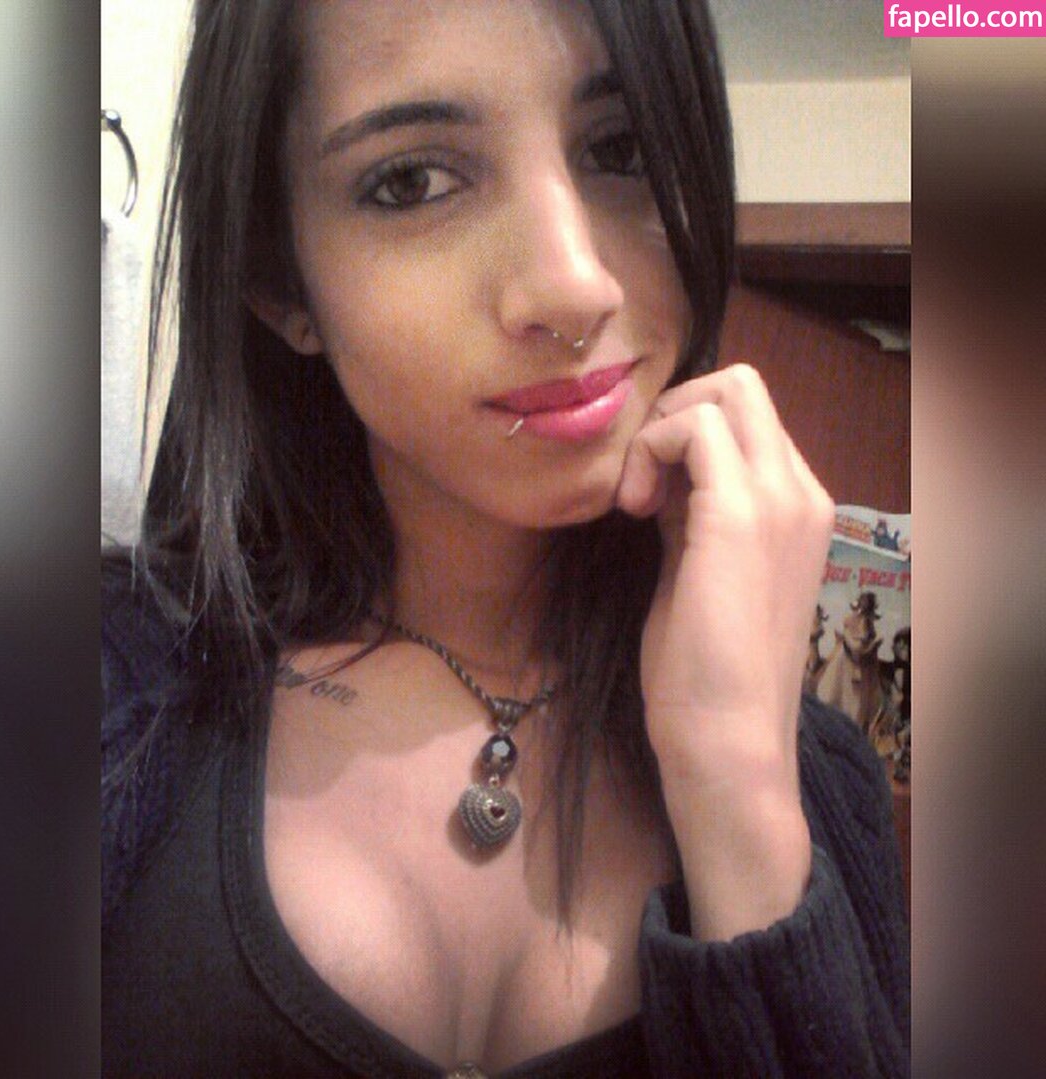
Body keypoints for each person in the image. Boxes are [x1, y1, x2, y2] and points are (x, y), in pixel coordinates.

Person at [101, 1, 910, 1075]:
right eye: (411, 181)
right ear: (280, 279)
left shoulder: (821, 782)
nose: (574, 285)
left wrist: (739, 786)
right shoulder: (95, 684)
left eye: (621, 150)